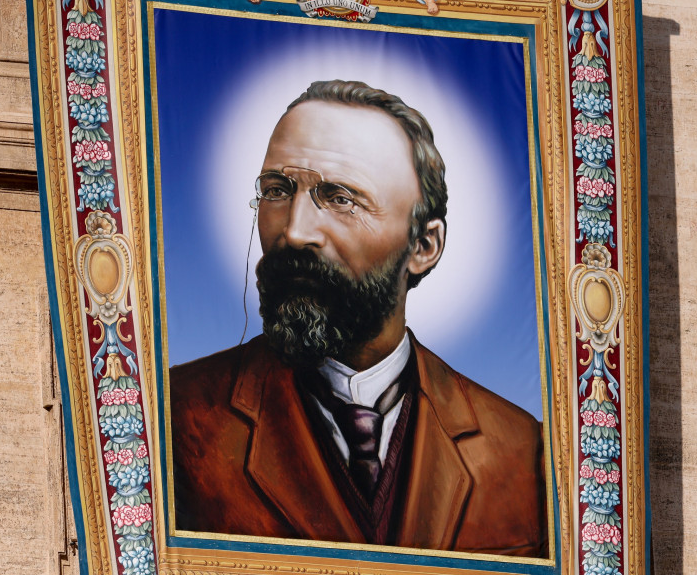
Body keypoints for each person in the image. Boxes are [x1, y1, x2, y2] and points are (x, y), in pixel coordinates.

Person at [170, 80, 548, 557]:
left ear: (424, 247)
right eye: (277, 190)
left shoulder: (517, 449)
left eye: (341, 198)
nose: (295, 231)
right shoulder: (175, 418)